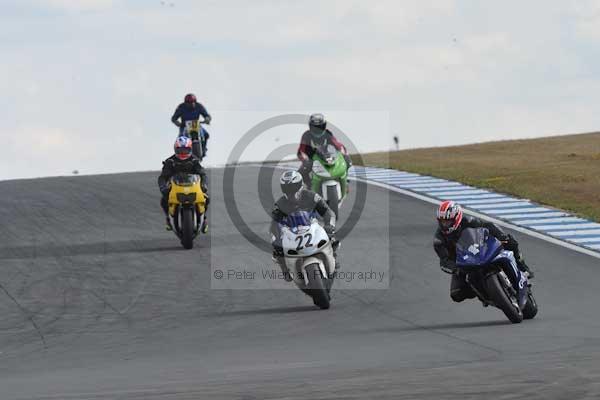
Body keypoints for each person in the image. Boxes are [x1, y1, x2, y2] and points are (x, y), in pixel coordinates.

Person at [433, 200, 534, 303]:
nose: (445, 224)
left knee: (510, 241)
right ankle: (483, 294)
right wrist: (455, 268)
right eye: (442, 222)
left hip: (479, 249)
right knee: (456, 294)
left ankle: (523, 267)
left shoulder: (469, 221)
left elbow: (488, 226)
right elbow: (444, 260)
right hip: (462, 264)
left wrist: (501, 236)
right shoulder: (439, 240)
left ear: (457, 217)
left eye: (448, 221)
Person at [270, 170, 338, 281]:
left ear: (300, 185)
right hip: (292, 233)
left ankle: (333, 258)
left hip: (312, 227)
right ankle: (285, 269)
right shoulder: (280, 204)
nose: (291, 191)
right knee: (277, 252)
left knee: (333, 239)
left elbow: (328, 212)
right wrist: (276, 241)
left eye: (293, 187)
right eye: (287, 188)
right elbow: (274, 225)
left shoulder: (312, 196)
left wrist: (329, 225)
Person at [158, 136, 209, 232]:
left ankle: (204, 219)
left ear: (190, 149)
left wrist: (204, 184)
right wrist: (163, 188)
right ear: (175, 149)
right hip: (175, 187)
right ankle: (169, 219)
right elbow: (162, 177)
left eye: (185, 150)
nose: (183, 153)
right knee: (163, 200)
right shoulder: (170, 161)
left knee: (206, 198)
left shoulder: (194, 160)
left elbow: (203, 174)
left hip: (193, 186)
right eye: (180, 150)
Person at [297, 113, 352, 185]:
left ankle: (344, 178)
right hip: (312, 159)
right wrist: (304, 158)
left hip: (327, 157)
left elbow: (336, 144)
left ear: (324, 126)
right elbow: (301, 150)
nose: (317, 130)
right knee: (302, 171)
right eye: (315, 127)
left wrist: (342, 151)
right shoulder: (306, 135)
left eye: (320, 127)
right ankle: (308, 185)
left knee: (347, 160)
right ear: (310, 127)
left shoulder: (327, 134)